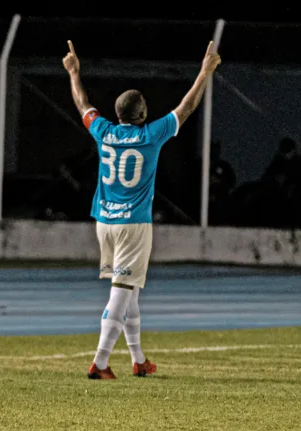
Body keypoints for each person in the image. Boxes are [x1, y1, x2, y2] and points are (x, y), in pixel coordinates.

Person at [63, 40, 221, 379]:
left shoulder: (104, 131)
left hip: (104, 221)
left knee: (130, 289)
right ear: (142, 114)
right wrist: (204, 72)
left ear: (118, 114)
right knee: (121, 291)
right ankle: (100, 361)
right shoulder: (152, 134)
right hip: (134, 224)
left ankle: (138, 360)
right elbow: (187, 106)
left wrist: (74, 73)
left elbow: (82, 104)